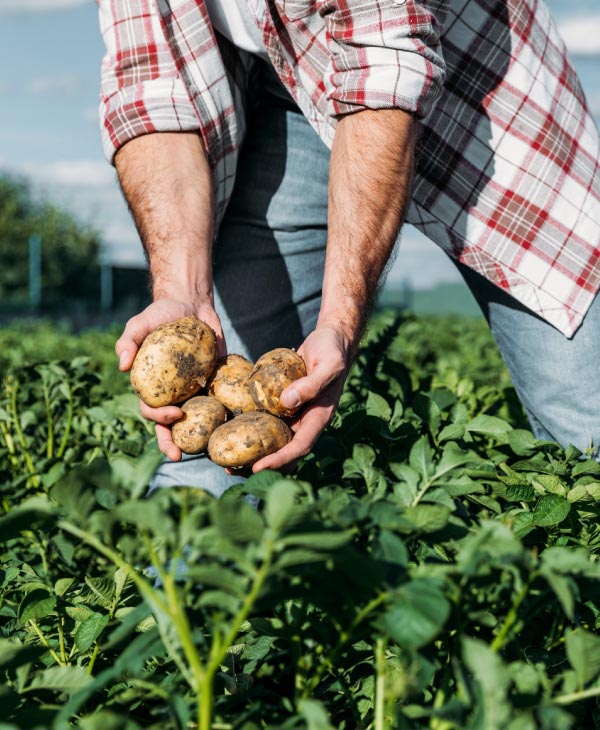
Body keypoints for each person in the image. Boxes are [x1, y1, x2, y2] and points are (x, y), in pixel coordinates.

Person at [98, 0, 600, 497]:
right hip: (277, 92)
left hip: (480, 87)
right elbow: (149, 89)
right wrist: (181, 292)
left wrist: (340, 324)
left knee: (585, 427)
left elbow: (384, 59)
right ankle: (194, 574)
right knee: (207, 456)